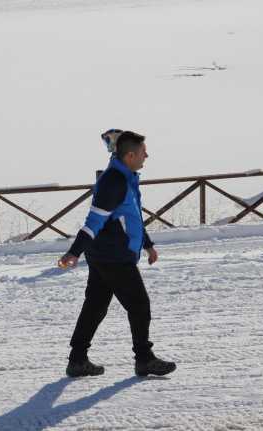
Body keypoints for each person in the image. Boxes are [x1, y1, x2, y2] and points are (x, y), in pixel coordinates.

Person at [58, 129, 176, 378]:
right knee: (139, 305)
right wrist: (74, 252)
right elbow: (94, 221)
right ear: (131, 155)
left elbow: (131, 216)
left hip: (107, 253)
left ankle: (77, 360)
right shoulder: (114, 181)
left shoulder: (127, 176)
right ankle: (144, 358)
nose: (148, 155)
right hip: (113, 256)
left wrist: (147, 243)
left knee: (96, 306)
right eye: (144, 151)